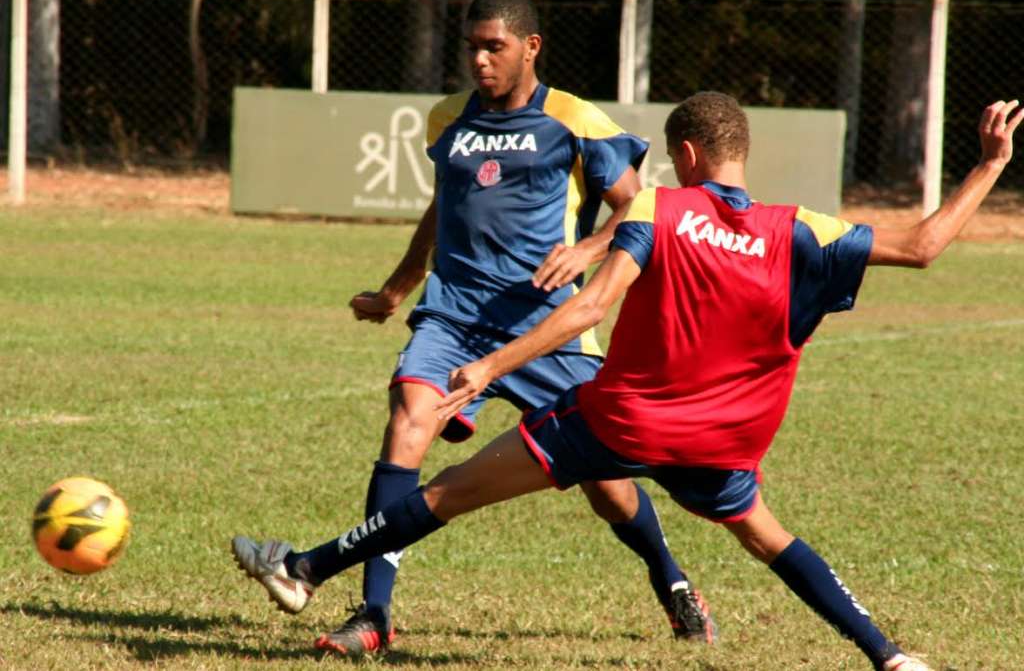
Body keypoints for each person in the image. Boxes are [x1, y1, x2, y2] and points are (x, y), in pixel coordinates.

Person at [232, 93, 1021, 669]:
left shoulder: (661, 207)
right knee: (767, 538)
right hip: (721, 441)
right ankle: (886, 653)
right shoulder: (800, 229)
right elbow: (922, 245)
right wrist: (988, 164)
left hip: (618, 420)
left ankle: (303, 568)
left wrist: (491, 366)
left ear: (683, 155)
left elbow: (589, 310)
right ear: (741, 152)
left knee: (450, 491)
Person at [236, 0, 711, 656]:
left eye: (496, 47)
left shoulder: (574, 120)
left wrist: (586, 247)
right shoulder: (446, 120)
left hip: (546, 327)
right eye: (473, 47)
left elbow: (642, 207)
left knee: (607, 484)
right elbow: (444, 208)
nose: (481, 60)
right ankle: (373, 612)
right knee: (408, 421)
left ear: (530, 47)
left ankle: (671, 578)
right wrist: (398, 288)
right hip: (453, 314)